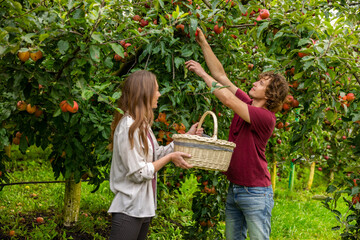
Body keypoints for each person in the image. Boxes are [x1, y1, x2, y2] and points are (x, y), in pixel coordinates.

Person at [185, 29, 289, 240]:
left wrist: (202, 74)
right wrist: (204, 42)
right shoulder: (248, 103)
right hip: (235, 189)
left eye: (261, 83)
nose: (255, 83)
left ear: (269, 95)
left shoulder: (265, 117)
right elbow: (222, 76)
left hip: (256, 193)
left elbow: (228, 100)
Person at [107, 70, 203, 240]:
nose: (159, 94)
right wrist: (170, 158)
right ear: (144, 93)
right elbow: (138, 173)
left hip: (143, 207)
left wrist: (187, 137)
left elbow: (156, 156)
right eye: (156, 90)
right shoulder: (128, 127)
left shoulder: (142, 125)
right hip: (129, 209)